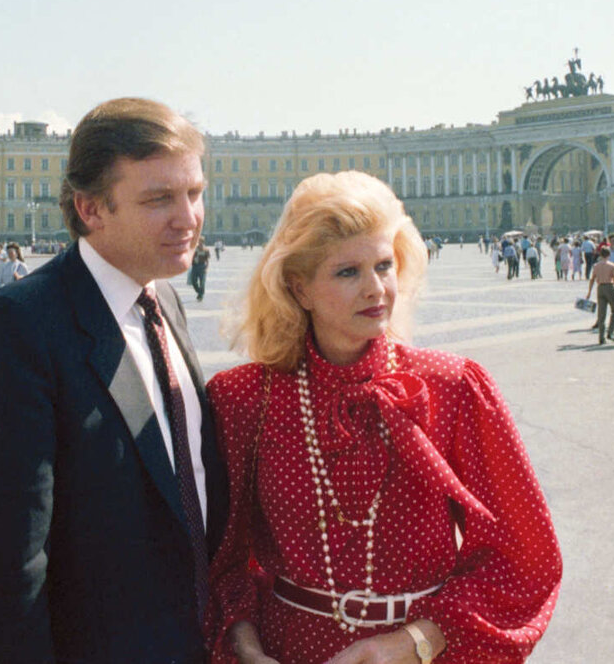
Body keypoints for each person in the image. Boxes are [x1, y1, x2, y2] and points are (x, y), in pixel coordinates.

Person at [205, 171, 561, 664]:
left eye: (384, 265)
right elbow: (222, 561)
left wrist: (413, 642)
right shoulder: (243, 398)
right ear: (299, 288)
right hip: (290, 653)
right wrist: (247, 650)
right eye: (347, 272)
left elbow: (523, 555)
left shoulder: (453, 386)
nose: (376, 289)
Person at [0, 98, 229, 664]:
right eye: (159, 199)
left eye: (194, 192)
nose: (188, 218)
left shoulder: (164, 301)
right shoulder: (17, 328)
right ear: (91, 208)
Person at [584, 245, 614, 344]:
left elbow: (592, 279)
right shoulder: (612, 265)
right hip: (609, 286)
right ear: (609, 254)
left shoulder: (596, 266)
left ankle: (601, 337)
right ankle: (611, 333)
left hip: (600, 287)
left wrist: (589, 292)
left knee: (601, 314)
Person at [190, 235, 211, 301]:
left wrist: (207, 268)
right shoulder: (194, 249)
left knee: (202, 282)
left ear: (203, 242)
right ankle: (199, 292)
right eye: (198, 241)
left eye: (200, 241)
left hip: (202, 266)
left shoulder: (206, 250)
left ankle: (201, 295)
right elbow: (191, 257)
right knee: (193, 281)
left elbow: (207, 260)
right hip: (195, 266)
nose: (199, 242)